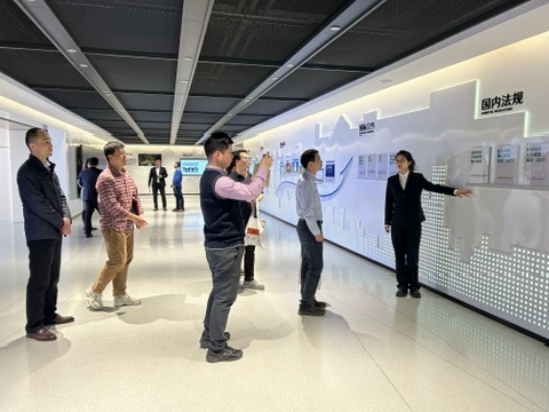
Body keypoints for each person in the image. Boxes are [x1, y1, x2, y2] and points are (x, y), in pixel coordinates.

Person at [199, 132, 272, 363]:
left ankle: (209, 335)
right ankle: (217, 348)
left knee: (218, 292)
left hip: (217, 244)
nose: (232, 157)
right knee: (224, 297)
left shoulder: (213, 177)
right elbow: (251, 192)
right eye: (230, 152)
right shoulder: (219, 180)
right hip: (225, 246)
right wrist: (263, 168)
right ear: (218, 154)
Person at [384, 150, 472, 298]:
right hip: (397, 223)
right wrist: (387, 222)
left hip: (414, 223)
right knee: (399, 256)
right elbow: (388, 201)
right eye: (397, 160)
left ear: (409, 162)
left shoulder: (417, 178)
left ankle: (414, 287)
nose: (399, 163)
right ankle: (402, 286)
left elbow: (434, 187)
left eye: (402, 160)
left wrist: (455, 191)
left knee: (412, 257)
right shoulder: (392, 180)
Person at [16, 127, 74, 341]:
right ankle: (34, 326)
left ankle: (49, 314)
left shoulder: (49, 168)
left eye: (50, 140)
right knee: (39, 281)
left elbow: (61, 197)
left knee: (52, 278)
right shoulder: (27, 172)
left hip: (54, 231)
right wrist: (61, 223)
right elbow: (38, 204)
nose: (51, 144)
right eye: (46, 141)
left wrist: (67, 218)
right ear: (33, 145)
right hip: (40, 233)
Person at [86, 142, 148, 310]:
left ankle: (119, 295)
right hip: (113, 226)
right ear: (110, 157)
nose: (124, 156)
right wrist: (135, 218)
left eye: (124, 153)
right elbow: (112, 206)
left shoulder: (125, 174)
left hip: (127, 225)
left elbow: (135, 196)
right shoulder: (105, 179)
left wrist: (139, 214)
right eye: (120, 154)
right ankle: (94, 291)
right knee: (117, 261)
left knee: (126, 260)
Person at [226, 150, 265, 291]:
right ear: (237, 161)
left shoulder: (251, 178)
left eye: (249, 158)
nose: (248, 160)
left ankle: (249, 279)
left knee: (250, 249)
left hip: (251, 219)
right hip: (235, 221)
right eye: (245, 158)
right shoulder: (230, 179)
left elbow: (261, 193)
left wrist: (255, 199)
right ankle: (233, 281)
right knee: (237, 251)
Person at [296, 149, 327, 316]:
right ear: (310, 164)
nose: (321, 162)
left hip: (307, 225)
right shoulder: (307, 182)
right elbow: (308, 211)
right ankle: (306, 305)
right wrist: (316, 232)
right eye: (318, 159)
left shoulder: (307, 179)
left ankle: (308, 298)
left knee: (308, 264)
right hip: (309, 227)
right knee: (315, 266)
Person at [78, 157, 102, 237]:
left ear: (88, 164)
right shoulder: (101, 172)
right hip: (99, 197)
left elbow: (81, 184)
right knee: (104, 214)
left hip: (87, 196)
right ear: (97, 164)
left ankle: (87, 233)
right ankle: (109, 230)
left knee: (88, 215)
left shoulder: (83, 172)